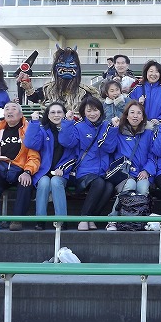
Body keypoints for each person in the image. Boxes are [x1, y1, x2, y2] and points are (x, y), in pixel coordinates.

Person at [0, 102, 41, 232]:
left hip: (20, 169)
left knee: (26, 184)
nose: (10, 111)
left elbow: (34, 155)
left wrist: (28, 171)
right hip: (1, 169)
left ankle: (17, 220)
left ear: (21, 114)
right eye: (7, 109)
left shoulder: (28, 129)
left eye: (14, 109)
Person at [58, 96, 113, 231]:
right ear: (83, 112)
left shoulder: (107, 126)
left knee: (109, 187)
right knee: (99, 183)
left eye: (95, 110)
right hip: (84, 171)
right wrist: (67, 122)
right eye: (89, 111)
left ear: (101, 111)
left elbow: (110, 148)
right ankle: (83, 218)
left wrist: (113, 130)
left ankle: (92, 218)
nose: (92, 114)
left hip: (102, 171)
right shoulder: (79, 127)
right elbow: (67, 142)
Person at [101, 100, 154, 230]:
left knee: (143, 187)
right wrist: (113, 129)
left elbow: (153, 155)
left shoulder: (148, 134)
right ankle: (113, 219)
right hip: (123, 173)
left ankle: (139, 221)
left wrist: (147, 170)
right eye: (132, 112)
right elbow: (108, 148)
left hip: (141, 172)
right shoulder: (118, 131)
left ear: (143, 117)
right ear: (126, 115)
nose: (135, 116)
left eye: (139, 113)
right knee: (130, 185)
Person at [23, 102, 77, 230]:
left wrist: (67, 124)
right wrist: (34, 123)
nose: (56, 115)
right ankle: (40, 220)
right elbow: (30, 143)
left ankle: (61, 220)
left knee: (56, 182)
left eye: (59, 112)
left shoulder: (72, 128)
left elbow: (72, 149)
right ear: (47, 115)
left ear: (64, 114)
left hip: (64, 172)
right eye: (52, 112)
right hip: (44, 171)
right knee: (44, 182)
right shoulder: (43, 130)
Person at [20, 46, 99, 112]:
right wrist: (28, 86)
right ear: (55, 67)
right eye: (62, 63)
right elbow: (35, 98)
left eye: (71, 63)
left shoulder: (84, 92)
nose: (67, 66)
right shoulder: (49, 89)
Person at [129, 60, 161, 126]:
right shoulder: (138, 88)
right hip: (139, 126)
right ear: (146, 72)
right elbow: (128, 105)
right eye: (151, 71)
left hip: (157, 126)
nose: (153, 74)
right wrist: (138, 103)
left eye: (157, 72)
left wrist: (159, 119)